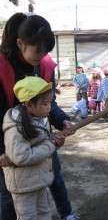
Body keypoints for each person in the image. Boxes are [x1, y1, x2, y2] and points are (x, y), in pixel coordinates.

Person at [0, 13, 79, 220]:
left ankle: (67, 214)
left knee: (53, 176)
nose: (42, 55)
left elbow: (49, 102)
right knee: (10, 192)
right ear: (20, 43)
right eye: (38, 50)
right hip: (12, 143)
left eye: (46, 50)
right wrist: (0, 151)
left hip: (41, 135)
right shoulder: (1, 68)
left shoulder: (44, 65)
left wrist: (61, 119)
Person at [3, 77, 65, 220]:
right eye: (45, 103)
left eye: (50, 102)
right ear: (29, 104)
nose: (49, 107)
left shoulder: (40, 118)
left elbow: (45, 145)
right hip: (23, 185)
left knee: (44, 212)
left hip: (39, 179)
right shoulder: (16, 127)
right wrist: (50, 145)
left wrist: (56, 143)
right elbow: (21, 157)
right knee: (27, 216)